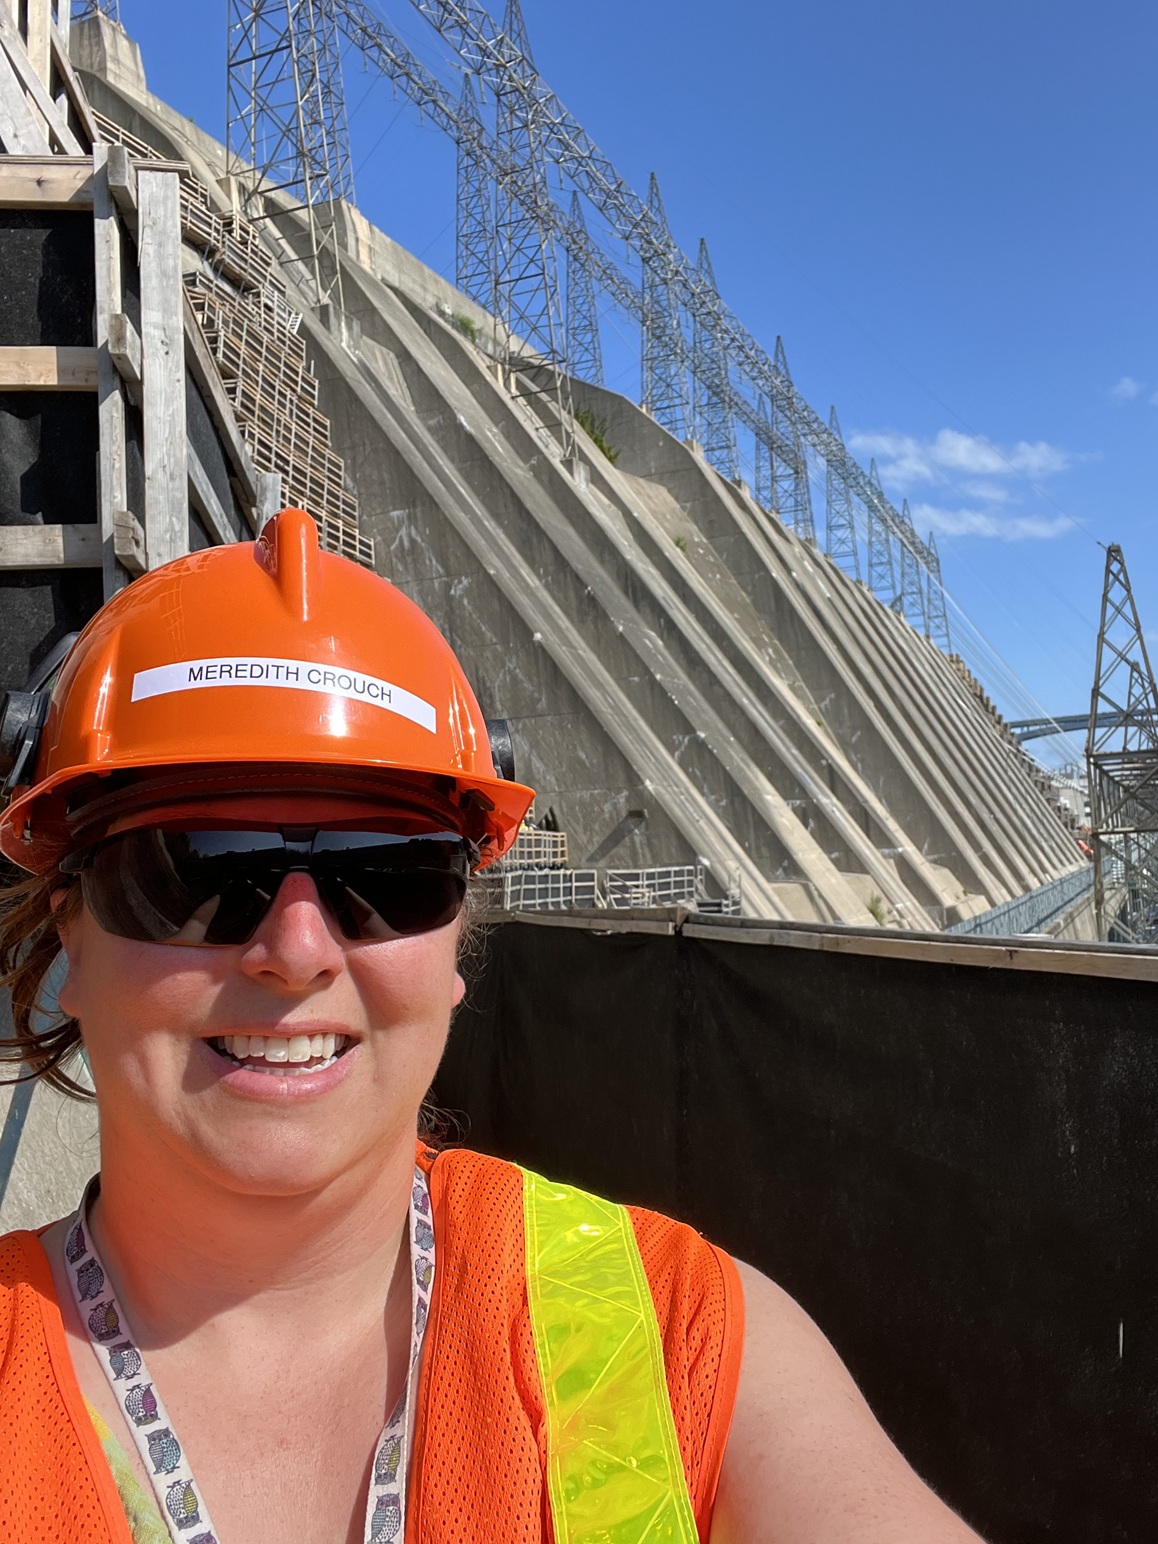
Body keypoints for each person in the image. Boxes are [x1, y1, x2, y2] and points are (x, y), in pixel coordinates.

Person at [0, 509, 985, 1544]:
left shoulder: (672, 1339)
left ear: (457, 943)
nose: (297, 947)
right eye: (193, 869)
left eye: (389, 871)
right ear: (72, 924)